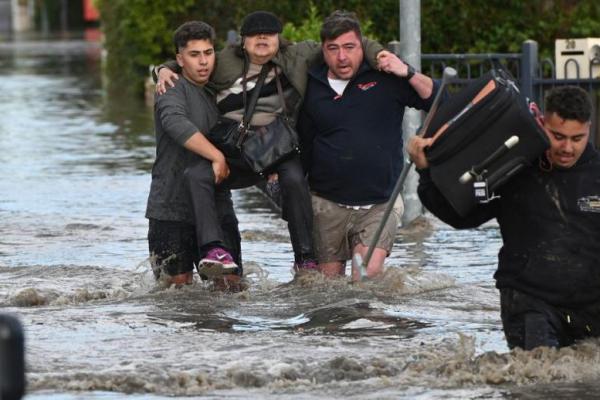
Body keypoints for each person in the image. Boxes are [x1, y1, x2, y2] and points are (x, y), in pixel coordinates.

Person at [156, 11, 386, 276]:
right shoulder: (222, 61)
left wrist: (381, 55)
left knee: (295, 178)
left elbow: (351, 42)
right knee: (196, 173)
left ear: (279, 38)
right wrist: (162, 70)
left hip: (275, 145)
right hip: (234, 145)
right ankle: (212, 248)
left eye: (269, 33)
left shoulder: (297, 55)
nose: (262, 38)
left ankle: (305, 257)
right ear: (242, 41)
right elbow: (191, 59)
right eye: (254, 34)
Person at [408, 85, 600, 350]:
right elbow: (462, 217)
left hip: (590, 306)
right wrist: (426, 174)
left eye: (577, 138)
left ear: (589, 129)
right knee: (538, 382)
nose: (567, 147)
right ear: (542, 123)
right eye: (558, 136)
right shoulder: (514, 166)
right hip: (529, 301)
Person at [298, 10, 437, 280]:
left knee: (367, 276)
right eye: (333, 49)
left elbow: (436, 98)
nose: (342, 57)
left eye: (349, 47)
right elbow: (303, 141)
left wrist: (407, 72)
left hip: (379, 202)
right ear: (323, 51)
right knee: (328, 290)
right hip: (326, 204)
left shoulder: (386, 78)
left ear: (362, 46)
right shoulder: (309, 84)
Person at [146, 21, 241, 289]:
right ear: (180, 59)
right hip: (171, 207)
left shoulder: (219, 88)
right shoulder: (171, 87)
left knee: (232, 286)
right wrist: (216, 156)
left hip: (217, 202)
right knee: (176, 292)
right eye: (194, 55)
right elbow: (175, 122)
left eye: (208, 53)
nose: (203, 62)